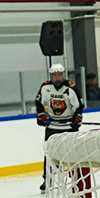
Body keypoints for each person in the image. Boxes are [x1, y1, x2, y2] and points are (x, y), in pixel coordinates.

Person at [34, 62, 84, 191]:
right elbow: (39, 102)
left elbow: (79, 106)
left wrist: (77, 118)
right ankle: (47, 180)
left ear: (63, 75)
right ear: (51, 76)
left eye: (59, 74)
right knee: (49, 154)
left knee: (73, 153)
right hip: (53, 126)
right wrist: (40, 115)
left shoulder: (70, 88)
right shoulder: (46, 87)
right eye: (54, 75)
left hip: (68, 126)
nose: (57, 77)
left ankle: (76, 179)